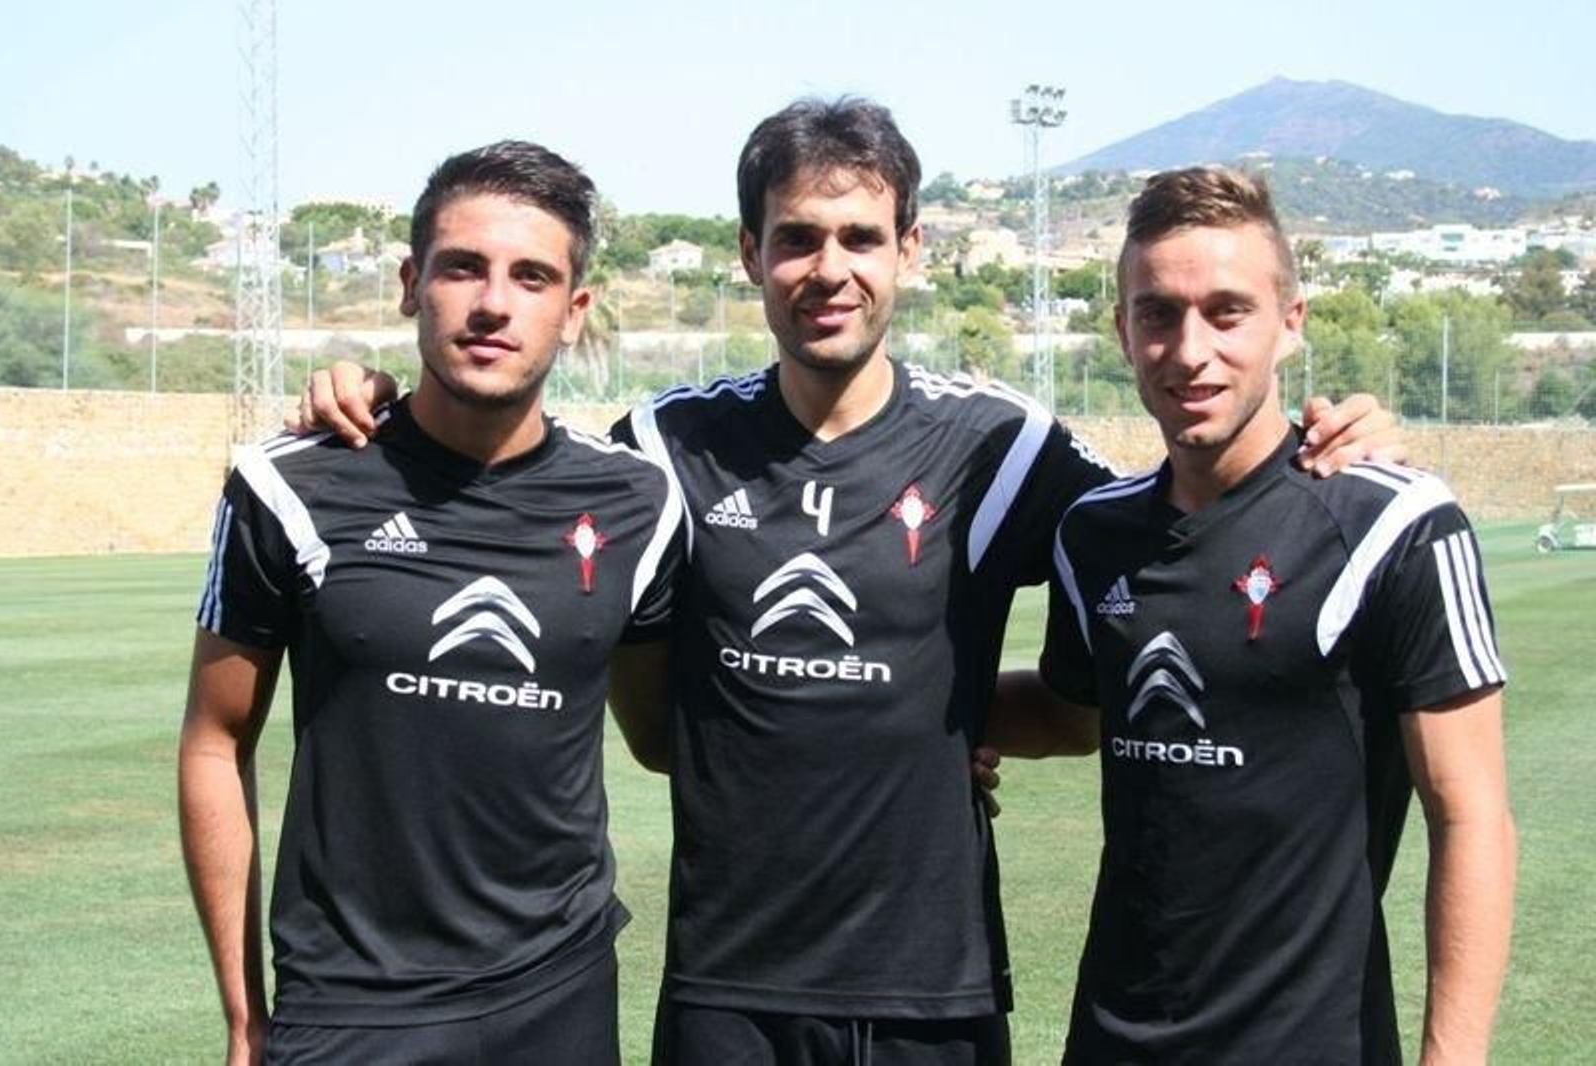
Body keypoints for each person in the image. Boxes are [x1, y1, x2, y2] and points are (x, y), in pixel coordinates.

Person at [298, 100, 1405, 1066]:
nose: (829, 269)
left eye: (860, 238)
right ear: (748, 253)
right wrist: (369, 404)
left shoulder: (1000, 447)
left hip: (935, 991)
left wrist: (1332, 434)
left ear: (911, 249)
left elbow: (1179, 536)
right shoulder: (663, 450)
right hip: (728, 988)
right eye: (797, 239)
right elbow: (521, 486)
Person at [996, 166, 1516, 1063]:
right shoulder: (1095, 534)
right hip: (1112, 1041)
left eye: (1227, 311)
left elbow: (1470, 816)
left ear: (1290, 323)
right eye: (1158, 313)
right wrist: (900, 709)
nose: (1190, 348)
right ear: (1123, 331)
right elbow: (1071, 709)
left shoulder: (1394, 525)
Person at [179, 141, 682, 1065]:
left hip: (559, 999)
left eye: (532, 277)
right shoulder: (288, 486)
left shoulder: (641, 503)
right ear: (411, 284)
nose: (494, 302)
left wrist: (929, 749)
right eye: (463, 267)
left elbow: (671, 734)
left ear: (574, 312)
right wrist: (244, 1017)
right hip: (350, 1007)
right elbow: (216, 742)